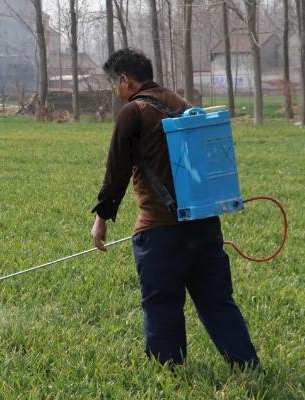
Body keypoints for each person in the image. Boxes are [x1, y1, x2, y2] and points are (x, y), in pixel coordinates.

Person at [90, 48, 259, 369]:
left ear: (125, 80)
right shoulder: (181, 103)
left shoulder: (133, 111)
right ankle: (247, 365)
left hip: (160, 230)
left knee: (162, 304)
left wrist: (101, 219)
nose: (115, 91)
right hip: (205, 224)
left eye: (114, 83)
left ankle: (169, 372)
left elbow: (116, 172)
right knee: (217, 302)